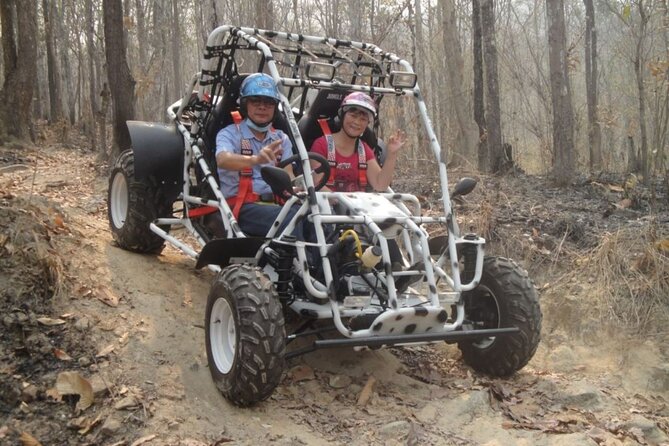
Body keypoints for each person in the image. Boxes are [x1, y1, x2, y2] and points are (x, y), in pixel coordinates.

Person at [215, 73, 296, 237]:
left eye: (268, 103)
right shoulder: (230, 134)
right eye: (255, 101)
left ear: (275, 108)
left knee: (316, 216)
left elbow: (289, 176)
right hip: (243, 206)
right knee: (293, 220)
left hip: (277, 204)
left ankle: (337, 262)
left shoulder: (281, 138)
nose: (262, 107)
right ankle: (306, 262)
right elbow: (223, 159)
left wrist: (300, 188)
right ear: (245, 105)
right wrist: (255, 159)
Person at [309, 91, 407, 192]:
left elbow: (380, 185)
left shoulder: (364, 151)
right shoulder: (321, 145)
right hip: (327, 205)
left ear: (367, 124)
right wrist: (342, 203)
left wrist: (392, 155)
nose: (356, 122)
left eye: (363, 119)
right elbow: (317, 185)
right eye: (353, 116)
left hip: (358, 205)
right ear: (342, 115)